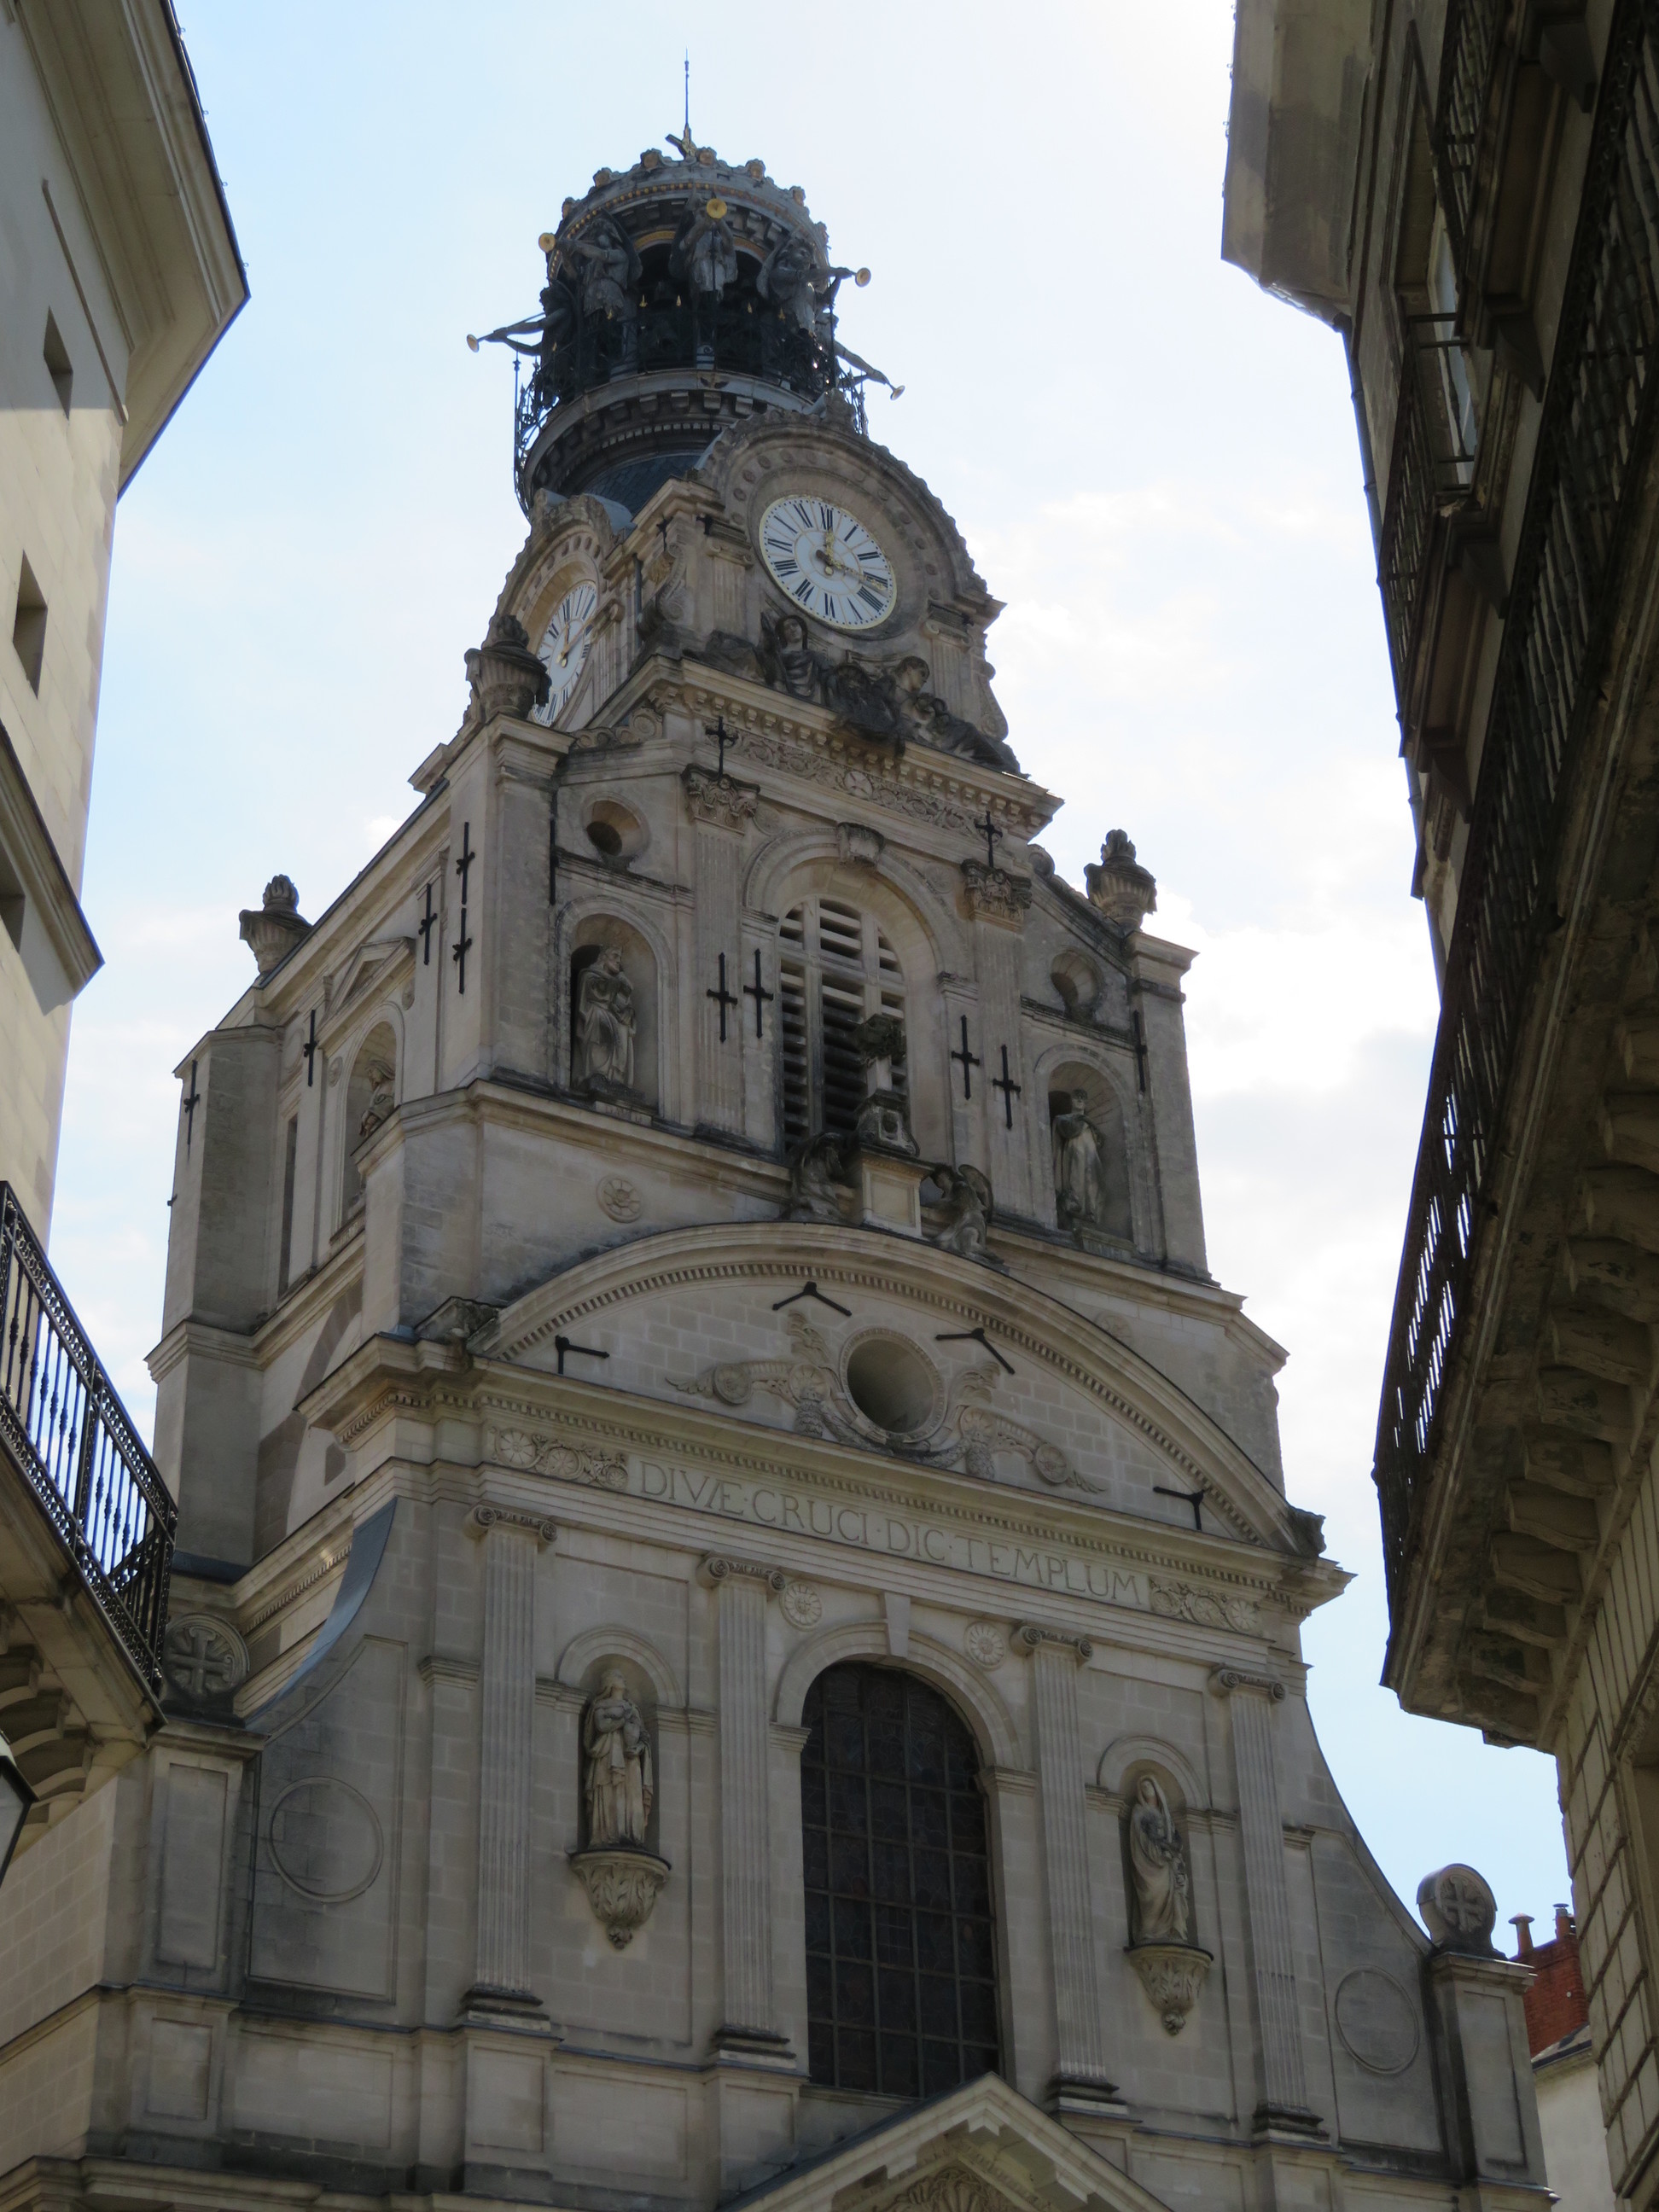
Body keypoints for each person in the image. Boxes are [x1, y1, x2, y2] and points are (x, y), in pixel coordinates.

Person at [583, 1672, 653, 1847]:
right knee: (609, 1791)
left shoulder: (632, 1707)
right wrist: (623, 1720)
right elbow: (602, 1725)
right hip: (607, 1755)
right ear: (611, 1683)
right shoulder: (600, 1706)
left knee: (631, 1793)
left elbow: (643, 1734)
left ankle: (632, 1835)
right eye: (619, 1677)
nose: (624, 1679)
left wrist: (639, 1747)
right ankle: (607, 1835)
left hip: (630, 1758)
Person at [1127, 1773, 1190, 1943]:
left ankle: (1176, 1931)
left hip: (1169, 1863)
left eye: (1149, 1786)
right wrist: (1157, 1852)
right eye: (1143, 1787)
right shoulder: (1139, 1812)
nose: (1146, 1789)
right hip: (1151, 1863)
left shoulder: (1166, 1816)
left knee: (1176, 1895)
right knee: (1153, 1895)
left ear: (1156, 1789)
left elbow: (1176, 1839)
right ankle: (1149, 1932)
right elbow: (1140, 1838)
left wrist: (1171, 1850)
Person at [575, 946, 637, 1091]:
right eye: (615, 956)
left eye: (620, 958)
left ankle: (617, 1078)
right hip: (598, 1014)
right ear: (603, 958)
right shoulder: (589, 975)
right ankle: (598, 1073)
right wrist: (618, 982)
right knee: (603, 1039)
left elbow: (627, 1005)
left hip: (618, 1021)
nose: (618, 961)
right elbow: (597, 992)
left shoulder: (619, 981)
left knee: (622, 1036)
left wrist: (628, 1013)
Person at [1051, 1091, 1104, 1225]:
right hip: (1075, 1149)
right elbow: (1062, 1128)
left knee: (1091, 1177)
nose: (1080, 1100)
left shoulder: (1090, 1124)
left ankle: (1091, 1210)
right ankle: (1075, 1204)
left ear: (1086, 1103)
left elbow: (1099, 1141)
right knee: (1077, 1173)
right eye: (1077, 1097)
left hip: (1091, 1153)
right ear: (1071, 1101)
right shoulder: (1064, 1119)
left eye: (1083, 1098)